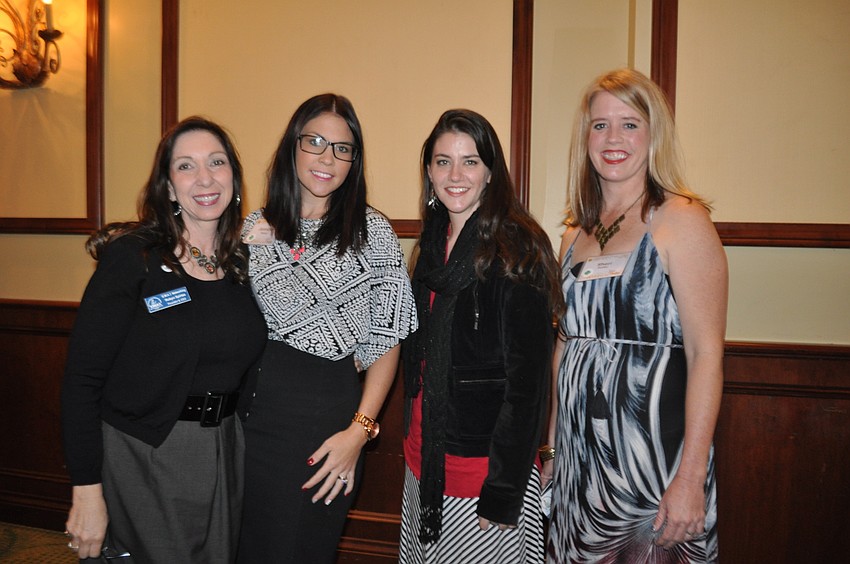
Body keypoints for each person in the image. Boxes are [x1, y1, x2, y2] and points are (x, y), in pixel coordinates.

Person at [61, 116, 267, 562]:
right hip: (146, 449)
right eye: (186, 167)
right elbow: (81, 380)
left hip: (226, 447)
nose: (206, 178)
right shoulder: (133, 258)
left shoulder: (245, 264)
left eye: (217, 163)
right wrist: (86, 489)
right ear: (169, 188)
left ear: (233, 177)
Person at [542, 68, 727, 563]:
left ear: (653, 134)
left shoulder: (682, 221)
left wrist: (689, 478)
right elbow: (566, 349)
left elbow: (707, 355)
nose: (613, 138)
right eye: (600, 125)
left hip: (652, 463)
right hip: (580, 463)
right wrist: (555, 450)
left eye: (629, 123)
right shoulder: (572, 234)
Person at [237, 93, 417, 563]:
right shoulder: (254, 228)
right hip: (248, 417)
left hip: (323, 419)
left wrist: (359, 432)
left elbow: (387, 340)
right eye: (314, 141)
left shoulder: (372, 233)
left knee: (300, 549)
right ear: (291, 147)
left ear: (353, 161)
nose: (326, 157)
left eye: (342, 148)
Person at [399, 109, 564, 564]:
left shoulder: (517, 246)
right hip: (425, 461)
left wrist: (504, 491)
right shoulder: (431, 244)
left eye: (470, 161)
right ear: (428, 171)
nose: (455, 175)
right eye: (442, 161)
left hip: (485, 474)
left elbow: (529, 385)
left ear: (491, 171)